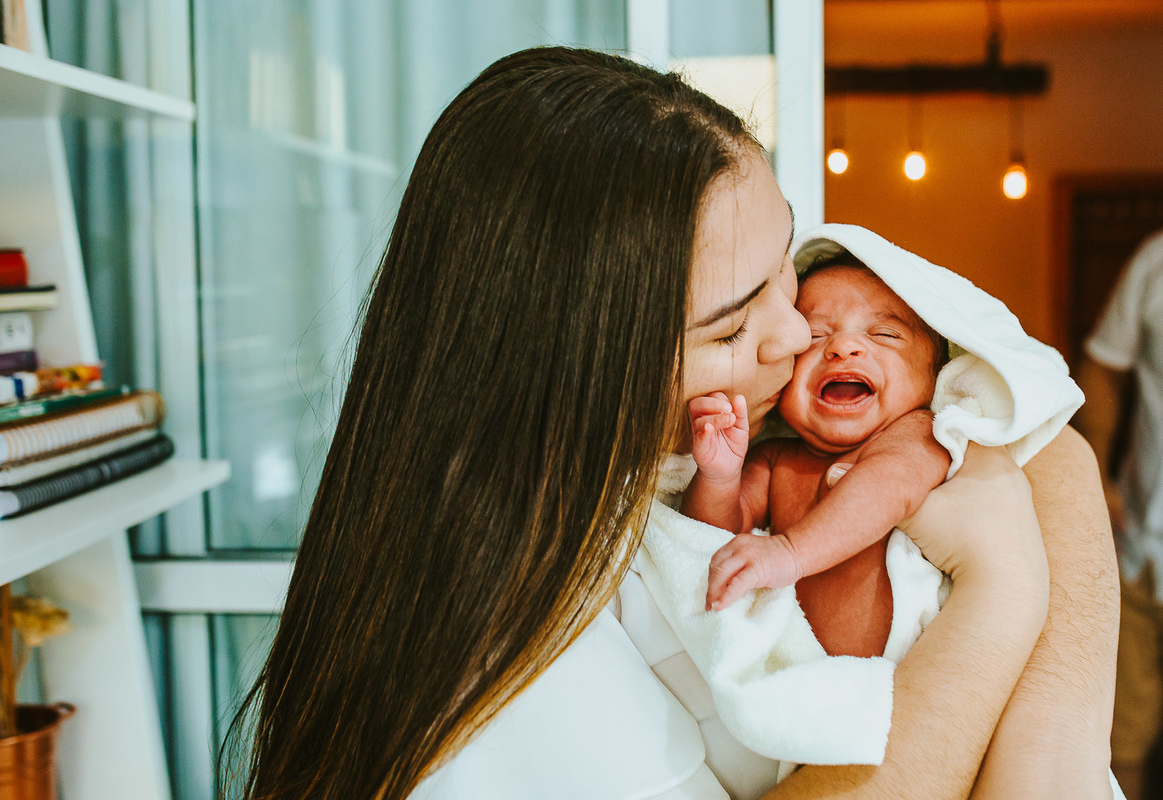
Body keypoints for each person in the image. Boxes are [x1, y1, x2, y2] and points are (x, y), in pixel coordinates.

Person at [223, 46, 1120, 800]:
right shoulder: (500, 655)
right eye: (732, 326)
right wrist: (1006, 595)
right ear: (572, 370)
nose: (798, 333)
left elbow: (1053, 452)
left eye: (785, 271)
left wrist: (1060, 486)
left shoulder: (690, 444)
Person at [683, 258, 951, 654]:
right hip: (807, 672)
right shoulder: (775, 461)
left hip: (911, 669)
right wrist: (718, 477)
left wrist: (789, 552)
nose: (843, 347)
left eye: (885, 334)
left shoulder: (917, 433)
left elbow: (890, 485)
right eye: (814, 336)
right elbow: (709, 539)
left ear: (935, 375)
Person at [1076, 228, 1163, 800]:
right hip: (1142, 545)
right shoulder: (1156, 260)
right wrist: (1103, 476)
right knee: (1123, 736)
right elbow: (1101, 366)